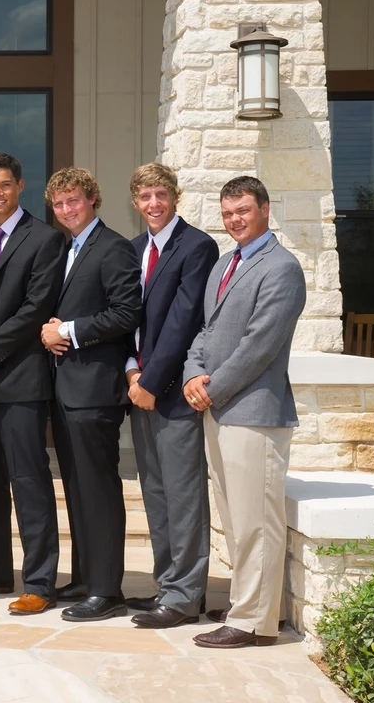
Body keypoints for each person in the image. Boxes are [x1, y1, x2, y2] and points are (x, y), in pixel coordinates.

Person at [185, 175, 305, 650]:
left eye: (244, 210)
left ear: (265, 210)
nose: (235, 219)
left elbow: (260, 347)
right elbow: (205, 332)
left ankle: (255, 623)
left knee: (257, 519)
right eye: (228, 211)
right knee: (236, 519)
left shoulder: (282, 268)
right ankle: (245, 603)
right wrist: (194, 373)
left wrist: (211, 389)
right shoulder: (223, 265)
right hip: (218, 409)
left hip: (254, 412)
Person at [0, 153, 66, 615]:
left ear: (20, 186)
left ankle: (40, 581)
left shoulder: (45, 239)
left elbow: (35, 307)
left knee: (29, 481)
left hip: (20, 380)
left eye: (6, 184)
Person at [40, 166, 141, 622]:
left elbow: (126, 313)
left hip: (95, 392)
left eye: (74, 201)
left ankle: (107, 590)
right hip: (66, 390)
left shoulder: (114, 247)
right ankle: (84, 577)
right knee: (78, 489)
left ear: (92, 199)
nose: (66, 210)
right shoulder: (68, 248)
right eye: (59, 204)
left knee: (98, 489)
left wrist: (71, 331)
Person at [123, 163, 218, 629]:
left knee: (183, 497)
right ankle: (169, 587)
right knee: (156, 494)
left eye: (161, 194)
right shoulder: (136, 249)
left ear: (175, 196)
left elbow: (183, 323)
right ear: (135, 201)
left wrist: (149, 381)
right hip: (139, 387)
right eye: (145, 196)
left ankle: (185, 596)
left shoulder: (197, 246)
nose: (153, 204)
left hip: (173, 392)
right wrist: (130, 370)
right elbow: (127, 318)